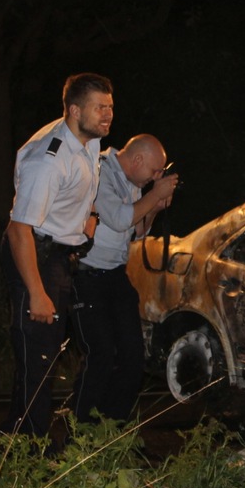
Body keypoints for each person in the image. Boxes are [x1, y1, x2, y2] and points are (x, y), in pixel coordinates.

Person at [1, 72, 113, 441]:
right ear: (74, 110)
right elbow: (20, 230)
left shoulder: (88, 141)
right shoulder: (48, 159)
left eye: (110, 107)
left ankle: (19, 442)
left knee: (45, 357)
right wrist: (36, 291)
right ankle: (26, 451)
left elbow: (85, 189)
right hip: (35, 252)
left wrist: (90, 218)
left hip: (61, 255)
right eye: (100, 108)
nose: (108, 115)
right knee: (39, 358)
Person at [69, 134, 178, 422]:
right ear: (138, 159)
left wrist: (155, 206)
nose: (156, 177)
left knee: (132, 358)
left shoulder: (133, 182)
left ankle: (111, 430)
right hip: (87, 275)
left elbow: (137, 230)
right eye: (155, 171)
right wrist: (155, 194)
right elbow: (118, 218)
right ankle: (80, 432)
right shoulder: (101, 170)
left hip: (115, 275)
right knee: (101, 355)